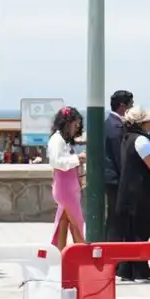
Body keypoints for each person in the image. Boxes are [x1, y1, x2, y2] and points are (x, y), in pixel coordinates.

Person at [115, 106, 150, 282]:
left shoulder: (127, 138)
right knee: (141, 232)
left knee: (130, 233)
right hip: (141, 195)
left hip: (129, 193)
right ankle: (141, 271)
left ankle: (126, 270)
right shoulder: (141, 140)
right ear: (142, 123)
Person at [47, 106, 86, 249]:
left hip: (69, 188)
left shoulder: (64, 140)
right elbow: (56, 162)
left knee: (63, 223)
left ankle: (61, 254)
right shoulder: (57, 140)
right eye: (75, 125)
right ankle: (82, 254)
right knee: (77, 223)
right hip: (65, 189)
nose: (76, 128)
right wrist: (78, 159)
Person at [104, 90, 133, 240]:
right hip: (116, 180)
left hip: (111, 177)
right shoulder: (116, 128)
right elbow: (120, 157)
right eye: (130, 105)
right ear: (122, 106)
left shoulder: (108, 123)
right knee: (117, 218)